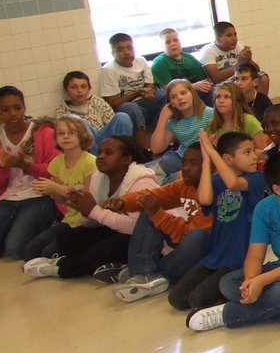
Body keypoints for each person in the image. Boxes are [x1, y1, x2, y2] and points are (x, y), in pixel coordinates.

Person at [186, 151, 280, 332]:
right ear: (277, 189)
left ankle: (226, 314)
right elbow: (255, 256)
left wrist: (262, 281)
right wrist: (251, 281)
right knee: (228, 283)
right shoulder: (264, 208)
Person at [23, 135, 158, 280]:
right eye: (99, 152)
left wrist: (93, 210)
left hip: (145, 239)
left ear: (127, 159)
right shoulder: (98, 178)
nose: (100, 157)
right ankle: (111, 265)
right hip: (115, 230)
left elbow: (136, 228)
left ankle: (63, 268)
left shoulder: (142, 182)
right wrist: (84, 210)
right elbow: (94, 223)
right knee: (67, 237)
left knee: (107, 248)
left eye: (108, 153)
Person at [168, 131, 265, 313]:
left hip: (241, 257)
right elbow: (204, 199)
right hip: (217, 254)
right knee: (176, 299)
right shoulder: (216, 180)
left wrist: (212, 152)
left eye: (253, 151)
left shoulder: (256, 177)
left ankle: (225, 297)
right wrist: (207, 161)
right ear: (228, 159)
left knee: (197, 299)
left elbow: (234, 184)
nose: (254, 156)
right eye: (247, 152)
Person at [107, 142, 211, 303]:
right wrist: (123, 203)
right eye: (184, 162)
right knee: (149, 209)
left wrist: (158, 214)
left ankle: (152, 276)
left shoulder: (216, 189)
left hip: (206, 249)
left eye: (194, 164)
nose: (186, 168)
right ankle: (144, 273)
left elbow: (197, 234)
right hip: (187, 238)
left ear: (211, 167)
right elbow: (155, 195)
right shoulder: (184, 185)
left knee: (197, 236)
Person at [0, 87, 58, 260]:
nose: (13, 114)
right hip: (9, 197)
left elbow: (54, 171)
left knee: (14, 250)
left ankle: (47, 225)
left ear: (24, 107)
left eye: (17, 108)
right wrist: (2, 166)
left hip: (39, 194)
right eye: (5, 110)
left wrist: (25, 165)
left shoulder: (43, 132)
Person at [24, 116, 95, 261]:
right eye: (61, 133)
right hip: (69, 220)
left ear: (82, 135)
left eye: (71, 132)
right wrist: (50, 191)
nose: (66, 137)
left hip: (87, 223)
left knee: (48, 253)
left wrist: (56, 188)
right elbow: (61, 200)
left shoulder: (90, 162)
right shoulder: (56, 163)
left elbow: (88, 203)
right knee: (30, 251)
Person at [99, 32, 162, 154]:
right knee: (132, 107)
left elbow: (151, 86)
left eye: (129, 48)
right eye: (120, 50)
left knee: (164, 95)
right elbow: (113, 102)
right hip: (125, 107)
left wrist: (148, 93)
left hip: (144, 102)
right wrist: (137, 93)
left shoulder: (141, 61)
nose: (127, 52)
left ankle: (167, 140)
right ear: (113, 53)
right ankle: (144, 151)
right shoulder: (108, 70)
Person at [55, 71, 134, 152]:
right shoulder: (63, 112)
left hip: (107, 136)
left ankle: (125, 154)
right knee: (83, 123)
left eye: (83, 86)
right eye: (74, 87)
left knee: (122, 117)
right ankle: (96, 161)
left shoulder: (96, 101)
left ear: (89, 89)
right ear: (66, 91)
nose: (79, 91)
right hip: (88, 145)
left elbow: (112, 123)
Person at [150, 79, 212, 177]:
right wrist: (162, 118)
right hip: (180, 157)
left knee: (172, 180)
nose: (179, 98)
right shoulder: (173, 121)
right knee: (150, 171)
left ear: (192, 94)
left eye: (183, 93)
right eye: (174, 97)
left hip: (202, 159)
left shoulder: (210, 114)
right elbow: (156, 149)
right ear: (171, 103)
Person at [200, 21, 266, 94]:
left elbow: (257, 70)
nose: (234, 38)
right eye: (229, 35)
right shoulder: (208, 51)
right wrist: (238, 64)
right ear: (218, 39)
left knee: (263, 77)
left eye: (235, 35)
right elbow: (215, 78)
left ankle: (259, 104)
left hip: (238, 79)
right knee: (238, 85)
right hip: (221, 85)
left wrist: (248, 60)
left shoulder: (237, 46)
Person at [150, 28, 212, 100]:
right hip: (172, 97)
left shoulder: (190, 58)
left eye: (176, 40)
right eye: (167, 42)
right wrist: (193, 87)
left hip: (196, 93)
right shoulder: (159, 64)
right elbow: (168, 89)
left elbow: (203, 81)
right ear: (162, 46)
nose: (173, 44)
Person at [205, 83, 268, 150]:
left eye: (226, 97)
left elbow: (264, 153)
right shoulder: (212, 124)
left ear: (237, 101)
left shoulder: (248, 121)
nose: (221, 101)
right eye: (218, 97)